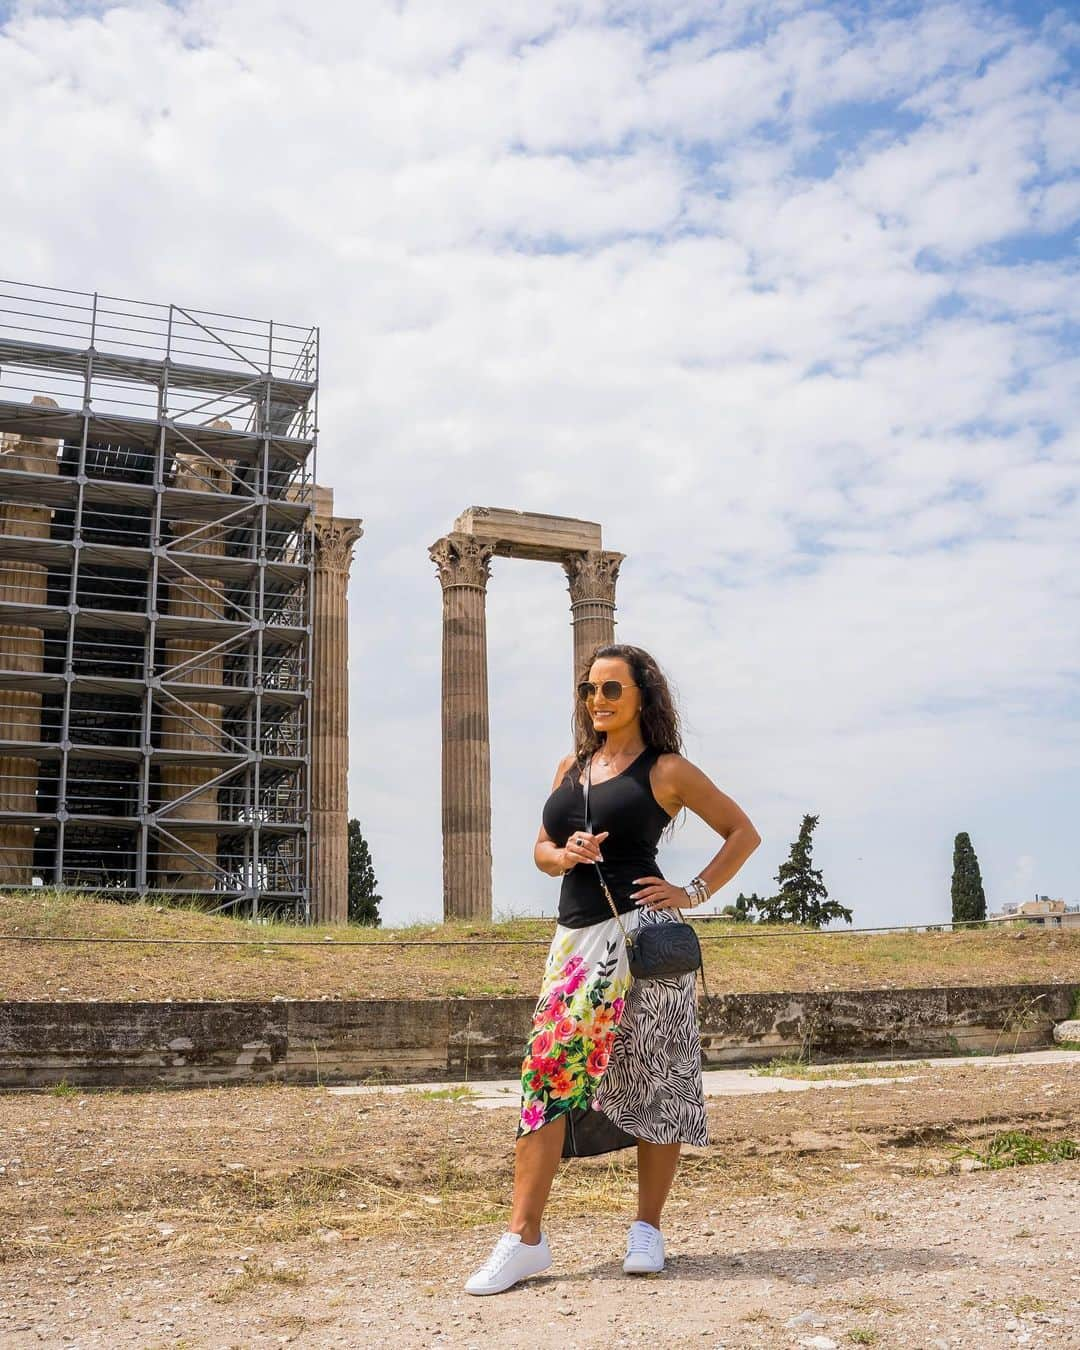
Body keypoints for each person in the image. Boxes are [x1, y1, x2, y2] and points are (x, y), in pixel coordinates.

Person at [464, 643, 761, 1295]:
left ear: (643, 698)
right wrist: (561, 854)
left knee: (656, 1078)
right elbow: (540, 850)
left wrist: (693, 891)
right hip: (573, 944)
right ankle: (524, 1238)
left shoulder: (669, 770)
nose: (596, 700)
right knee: (545, 1080)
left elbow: (742, 831)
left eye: (611, 690)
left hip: (643, 939)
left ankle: (647, 1228)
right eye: (588, 690)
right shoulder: (569, 767)